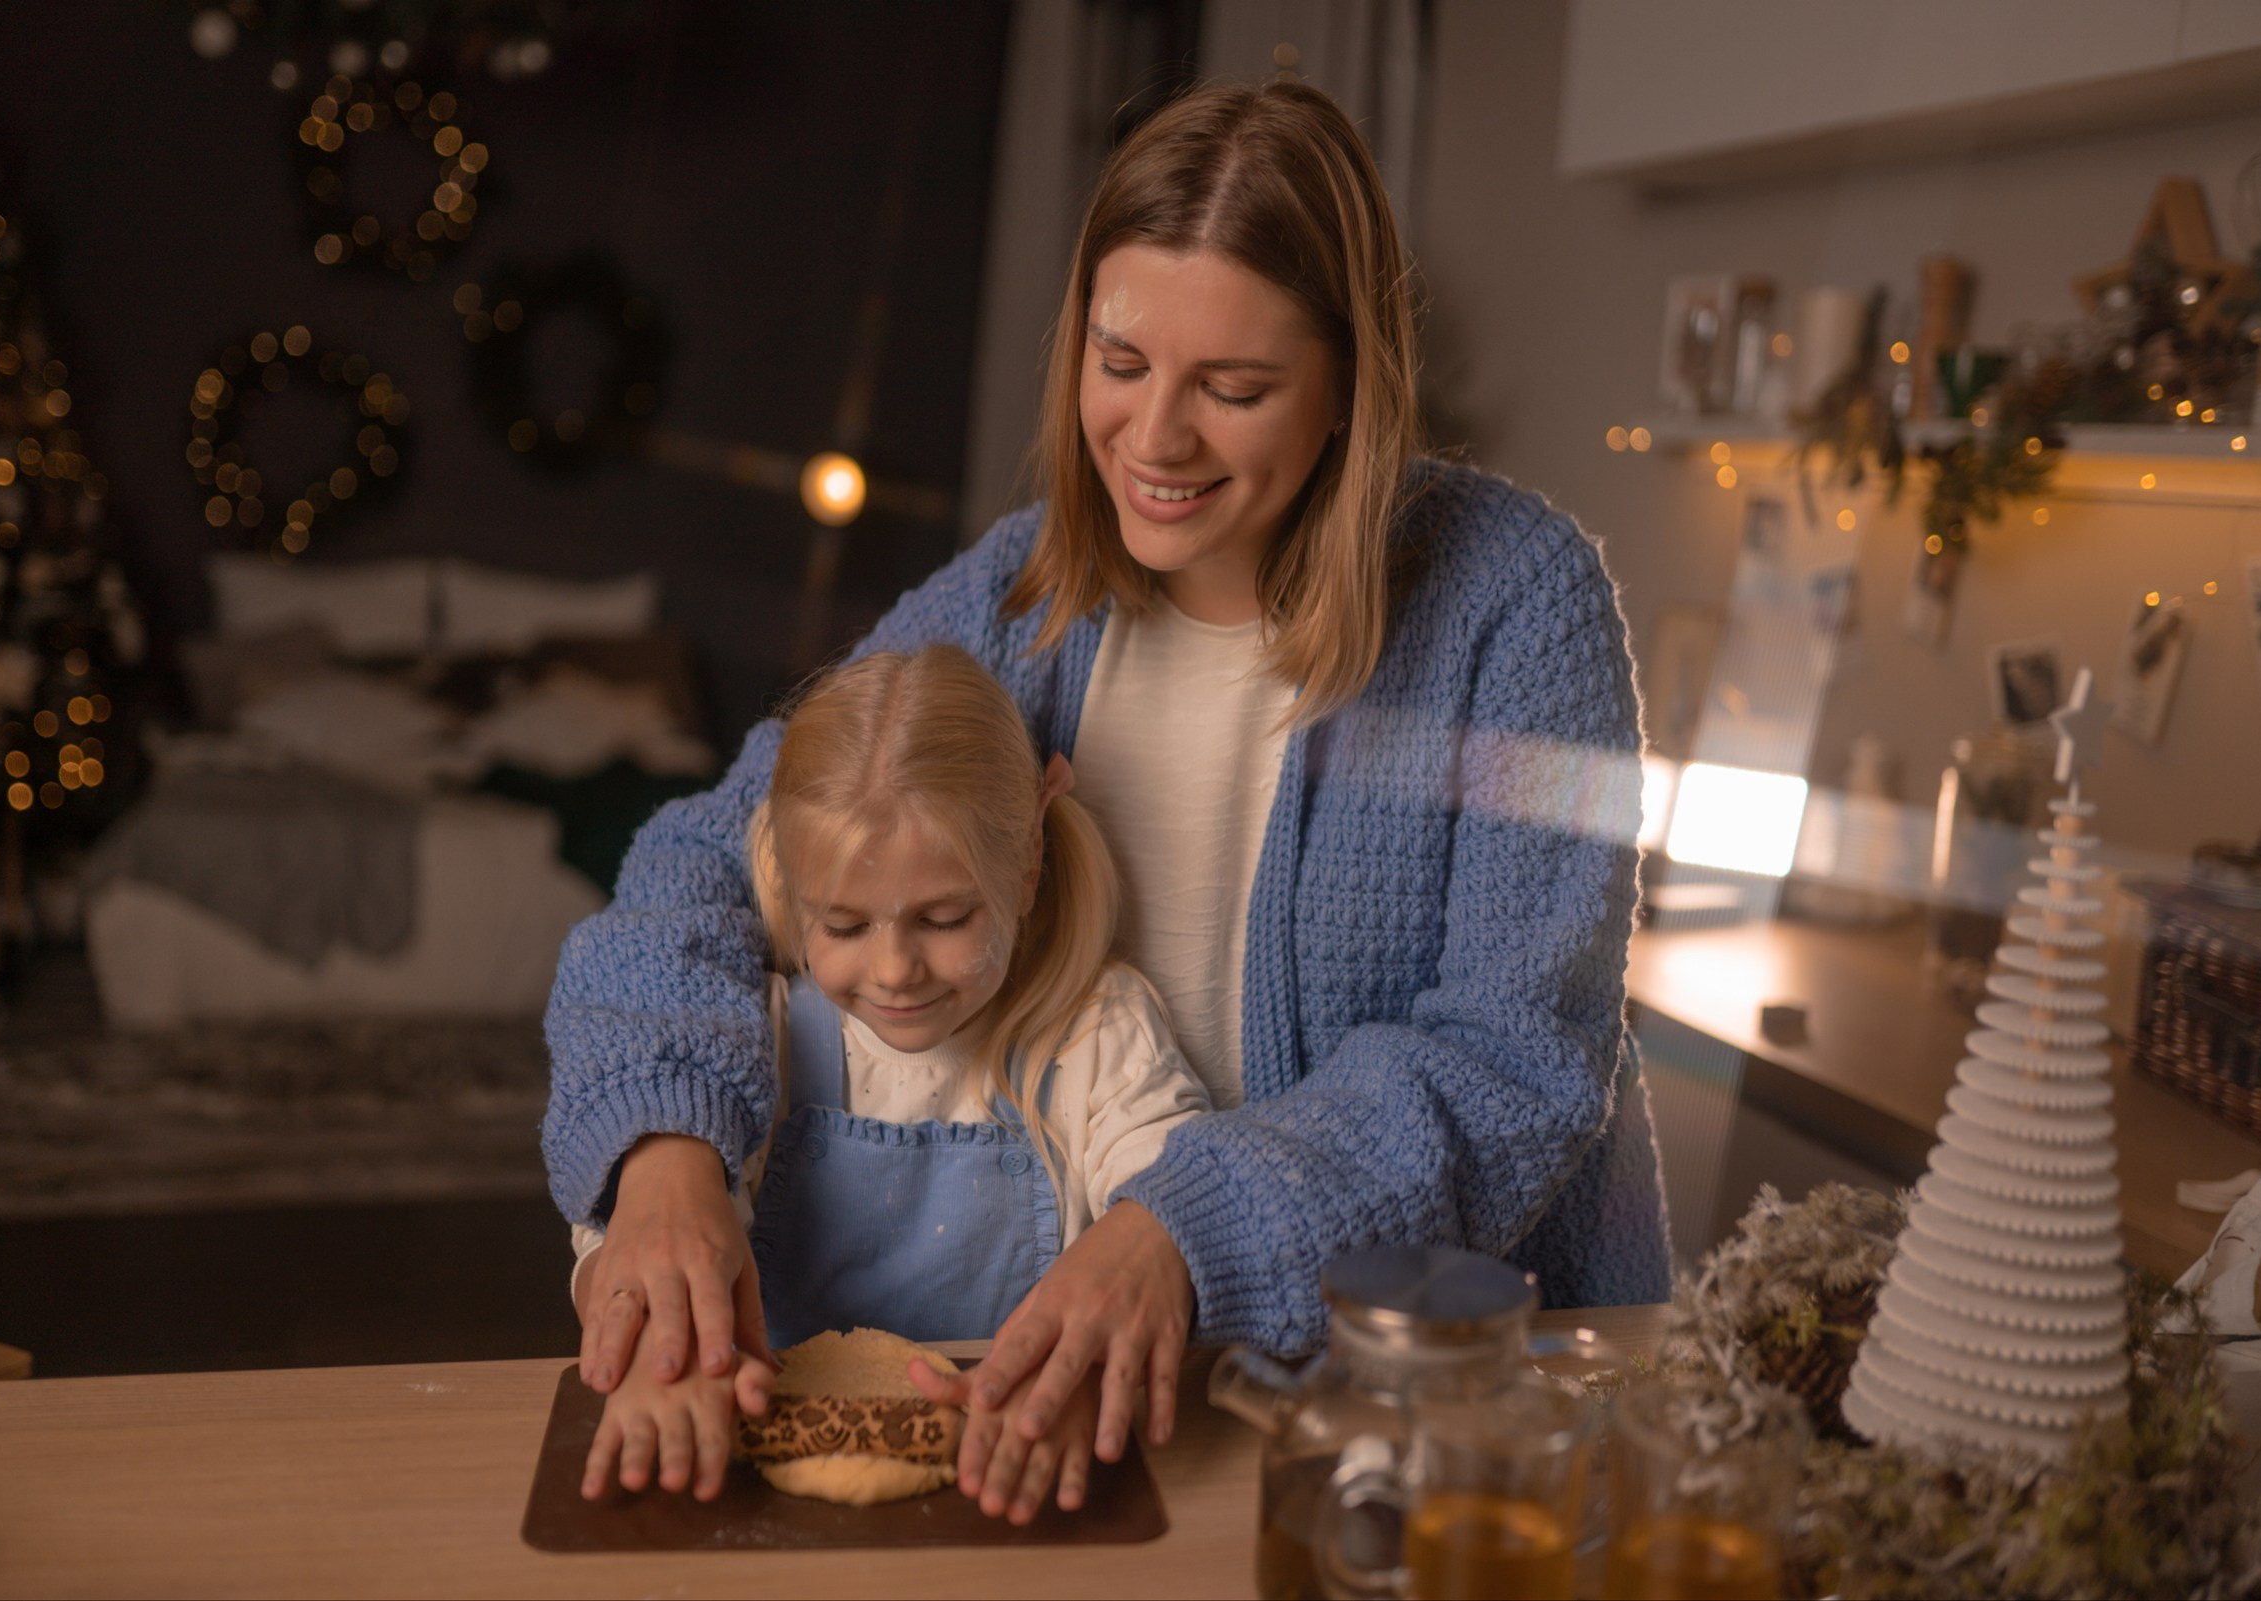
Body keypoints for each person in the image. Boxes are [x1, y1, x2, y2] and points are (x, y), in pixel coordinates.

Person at [544, 77, 1671, 1523]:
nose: (1156, 439)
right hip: (1131, 1390)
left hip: (1451, 1401)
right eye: (1120, 360)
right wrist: (663, 1152)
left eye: (1236, 389)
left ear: (1351, 383)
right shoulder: (1026, 598)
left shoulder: (1518, 608)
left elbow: (1513, 1061)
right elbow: (710, 852)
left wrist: (1184, 1227)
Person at [571, 644, 1211, 1508]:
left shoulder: (1097, 1036)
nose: (895, 969)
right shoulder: (756, 1040)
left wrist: (1092, 1369)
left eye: (943, 917)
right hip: (762, 1469)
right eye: (842, 923)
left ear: (1026, 865)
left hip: (1014, 1466)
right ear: (793, 893)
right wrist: (660, 1343)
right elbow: (630, 1236)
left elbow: (1177, 1203)